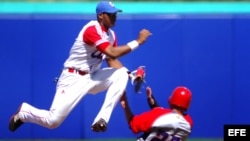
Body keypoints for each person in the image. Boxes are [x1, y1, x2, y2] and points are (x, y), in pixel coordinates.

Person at [8, 0, 152, 133]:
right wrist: (137, 42)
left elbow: (111, 59)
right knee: (53, 121)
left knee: (120, 74)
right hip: (73, 77)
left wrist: (130, 75)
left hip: (93, 76)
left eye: (115, 13)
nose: (114, 16)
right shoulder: (92, 29)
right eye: (110, 14)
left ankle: (102, 119)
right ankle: (24, 112)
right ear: (101, 15)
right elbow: (111, 51)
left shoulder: (112, 35)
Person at [120, 86, 193, 141]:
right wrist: (153, 104)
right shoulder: (188, 123)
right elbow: (169, 118)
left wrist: (125, 104)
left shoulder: (159, 115)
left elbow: (133, 124)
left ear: (171, 100)